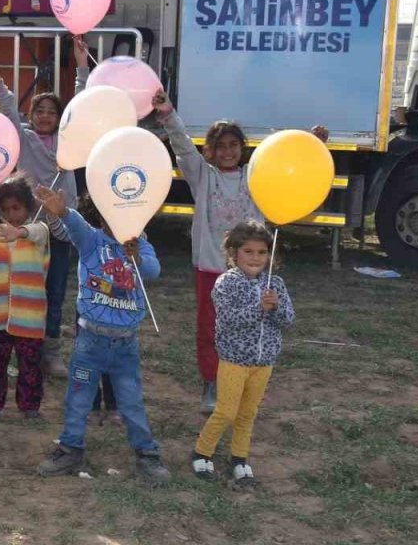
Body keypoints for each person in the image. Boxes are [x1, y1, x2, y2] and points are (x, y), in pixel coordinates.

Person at [156, 93, 325, 413]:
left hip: (250, 272)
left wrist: (313, 143)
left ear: (242, 148)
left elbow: (290, 164)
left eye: (234, 145)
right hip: (210, 267)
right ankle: (211, 384)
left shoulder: (254, 176)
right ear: (211, 150)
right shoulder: (202, 176)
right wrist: (168, 114)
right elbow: (181, 146)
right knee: (210, 326)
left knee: (250, 323)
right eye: (221, 146)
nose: (228, 151)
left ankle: (244, 382)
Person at [0, 43, 88, 378]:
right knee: (19, 290)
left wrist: (81, 67)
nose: (45, 116)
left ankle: (48, 353)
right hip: (26, 233)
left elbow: (81, 104)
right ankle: (15, 349)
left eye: (52, 111)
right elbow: (7, 109)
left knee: (54, 293)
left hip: (60, 231)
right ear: (32, 118)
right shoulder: (24, 140)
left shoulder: (70, 143)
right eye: (39, 111)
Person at [35, 186, 170, 482]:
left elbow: (152, 271)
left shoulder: (141, 246)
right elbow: (75, 225)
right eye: (113, 212)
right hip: (90, 343)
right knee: (78, 397)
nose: (119, 219)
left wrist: (136, 257)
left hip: (125, 345)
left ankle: (147, 454)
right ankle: (70, 448)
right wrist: (62, 211)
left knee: (131, 400)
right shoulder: (92, 240)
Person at [191, 221, 295, 487]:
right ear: (234, 253)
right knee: (226, 411)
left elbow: (288, 320)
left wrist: (276, 308)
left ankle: (239, 459)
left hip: (264, 361)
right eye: (248, 251)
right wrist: (260, 308)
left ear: (270, 255)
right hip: (234, 360)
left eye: (262, 252)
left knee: (248, 412)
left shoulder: (276, 284)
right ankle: (202, 452)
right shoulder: (226, 283)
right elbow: (229, 319)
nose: (255, 258)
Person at [0, 175, 54, 419]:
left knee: (30, 365)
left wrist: (18, 232)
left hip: (29, 316)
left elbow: (35, 232)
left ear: (29, 208)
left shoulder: (39, 232)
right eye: (5, 209)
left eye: (16, 208)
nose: (11, 214)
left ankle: (30, 407)